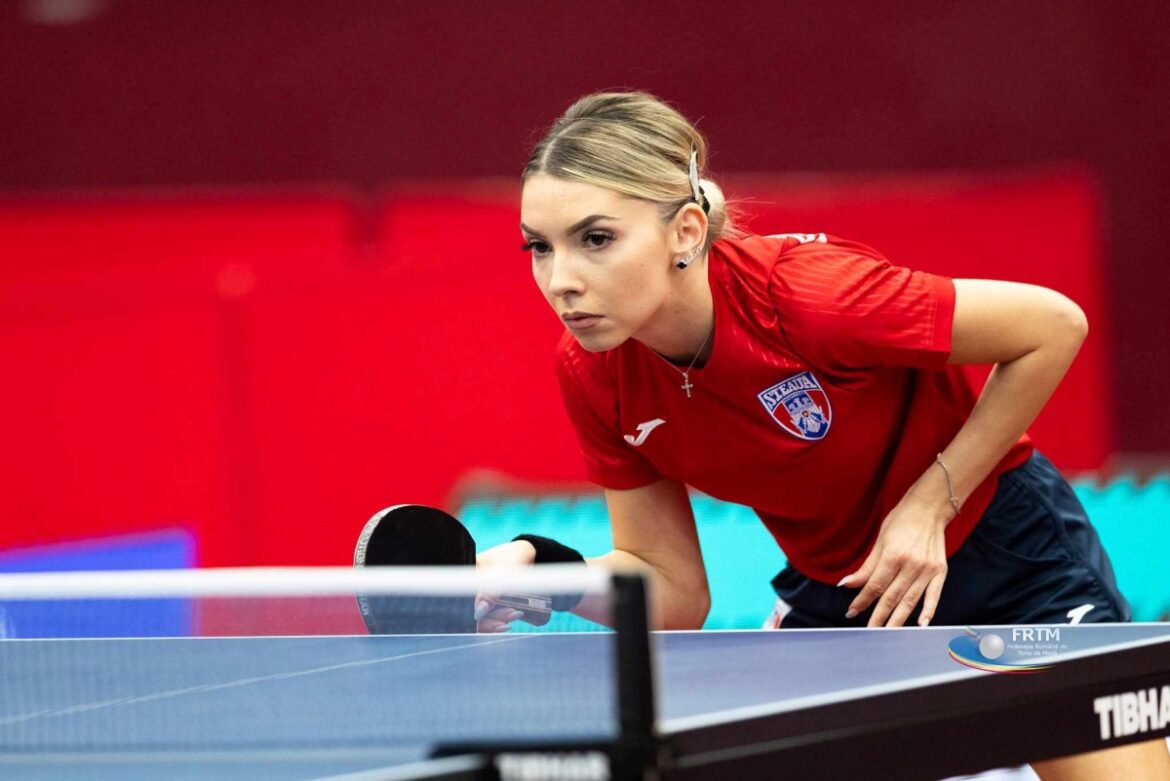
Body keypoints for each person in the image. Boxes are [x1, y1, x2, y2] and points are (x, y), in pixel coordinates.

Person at [474, 91, 1170, 779]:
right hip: (850, 598)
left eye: (596, 239)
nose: (561, 280)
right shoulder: (594, 373)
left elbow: (1053, 326)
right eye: (540, 247)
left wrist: (931, 503)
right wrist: (548, 574)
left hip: (1011, 565)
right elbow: (676, 592)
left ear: (685, 231)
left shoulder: (810, 298)